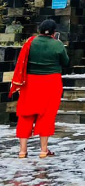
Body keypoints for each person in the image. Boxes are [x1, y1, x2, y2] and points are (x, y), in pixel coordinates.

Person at [11, 19, 69, 159]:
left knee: (26, 114)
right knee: (46, 115)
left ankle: (22, 151)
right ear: (54, 32)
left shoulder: (30, 42)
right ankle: (43, 150)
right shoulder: (58, 45)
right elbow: (65, 62)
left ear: (39, 30)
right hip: (51, 82)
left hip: (30, 82)